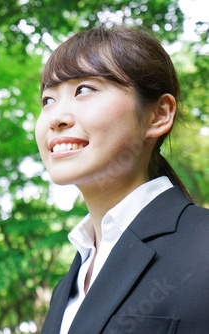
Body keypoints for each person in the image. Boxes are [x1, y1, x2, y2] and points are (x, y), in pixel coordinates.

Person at [35, 26, 209, 334]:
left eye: (84, 90)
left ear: (158, 115)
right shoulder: (67, 286)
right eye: (48, 99)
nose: (55, 117)